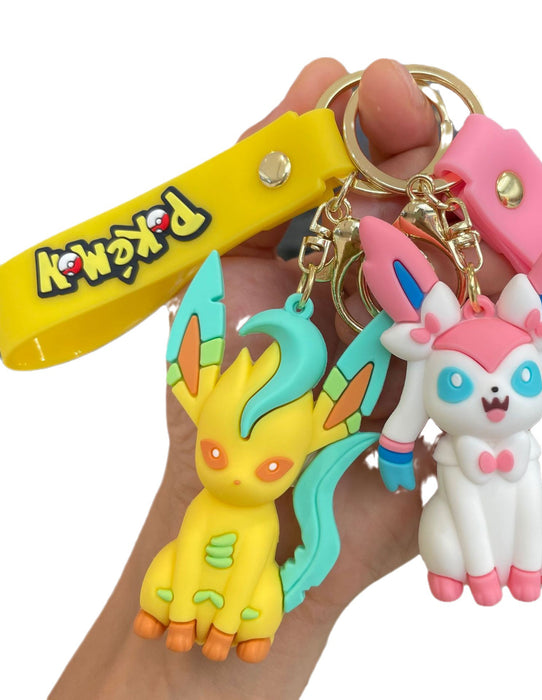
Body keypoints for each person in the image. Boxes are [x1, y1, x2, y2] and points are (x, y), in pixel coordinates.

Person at [49, 58, 514, 699]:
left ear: (331, 425)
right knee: (170, 577)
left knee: (252, 595)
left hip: (250, 604)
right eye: (217, 455)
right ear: (192, 381)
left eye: (271, 470)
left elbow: (250, 573)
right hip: (181, 594)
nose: (240, 476)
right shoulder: (210, 486)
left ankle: (219, 628)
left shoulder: (273, 495)